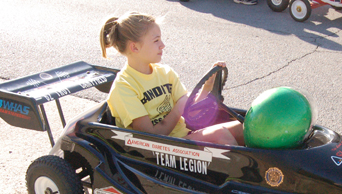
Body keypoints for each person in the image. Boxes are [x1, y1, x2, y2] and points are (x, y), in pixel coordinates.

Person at [99, 12, 244, 146]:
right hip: (161, 150)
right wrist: (179, 107)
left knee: (245, 127)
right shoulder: (124, 86)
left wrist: (207, 88)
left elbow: (190, 114)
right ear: (135, 47)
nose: (163, 45)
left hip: (184, 137)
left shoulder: (165, 73)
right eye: (156, 41)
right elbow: (151, 137)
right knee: (220, 135)